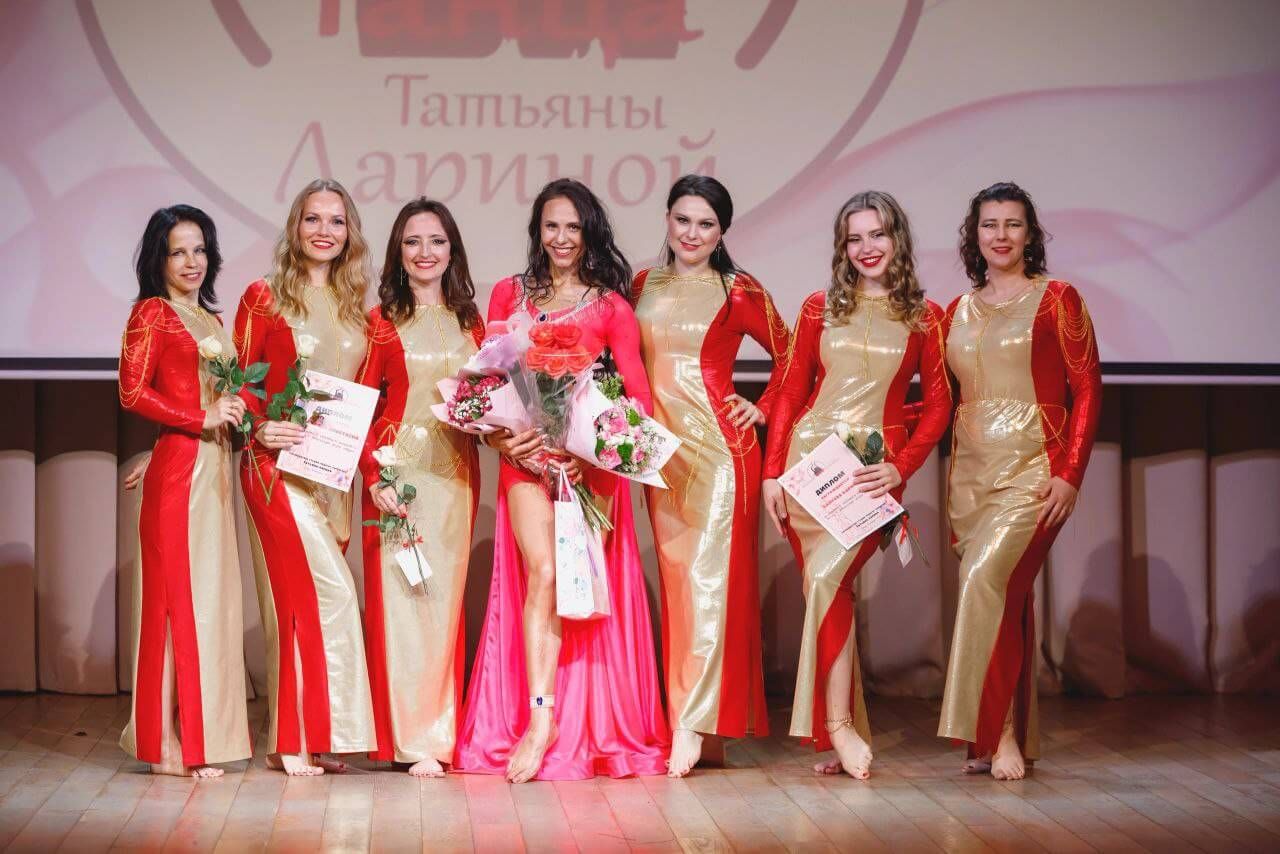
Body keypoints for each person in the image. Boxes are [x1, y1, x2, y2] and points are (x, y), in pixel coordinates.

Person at [454, 178, 670, 782]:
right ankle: (540, 717)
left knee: (578, 588)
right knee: (545, 571)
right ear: (537, 231)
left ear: (589, 232)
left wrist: (593, 457)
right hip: (525, 461)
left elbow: (638, 400)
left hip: (587, 473)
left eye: (573, 227)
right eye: (552, 226)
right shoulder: (508, 293)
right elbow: (487, 381)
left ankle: (586, 720)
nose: (562, 238)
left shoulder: (611, 308)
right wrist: (501, 439)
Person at [761, 191, 951, 779]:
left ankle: (838, 725)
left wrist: (903, 467)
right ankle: (841, 731)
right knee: (830, 593)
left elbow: (939, 406)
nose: (867, 247)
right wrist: (772, 472)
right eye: (855, 237)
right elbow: (790, 392)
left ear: (898, 239)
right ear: (842, 247)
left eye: (878, 234)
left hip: (869, 473)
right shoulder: (818, 308)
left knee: (827, 581)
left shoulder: (925, 317)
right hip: (810, 467)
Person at [938, 181, 1101, 780]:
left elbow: (1087, 388)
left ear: (1030, 234)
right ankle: (994, 736)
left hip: (1034, 469)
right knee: (1001, 598)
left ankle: (1000, 732)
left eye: (1012, 224)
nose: (1000, 235)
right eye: (989, 224)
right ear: (974, 235)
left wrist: (1070, 474)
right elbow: (938, 402)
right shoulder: (954, 311)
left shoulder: (1058, 299)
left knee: (984, 580)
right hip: (970, 475)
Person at [631, 175, 791, 776]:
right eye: (683, 220)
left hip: (722, 455)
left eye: (706, 224)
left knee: (708, 585)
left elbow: (795, 355)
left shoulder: (738, 289)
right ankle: (702, 725)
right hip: (658, 457)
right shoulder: (642, 284)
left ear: (722, 231)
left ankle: (691, 724)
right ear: (667, 220)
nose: (692, 233)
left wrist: (764, 407)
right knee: (679, 587)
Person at [233, 178, 377, 776]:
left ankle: (313, 737)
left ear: (350, 233)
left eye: (336, 221)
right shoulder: (263, 297)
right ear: (295, 227)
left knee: (312, 601)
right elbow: (239, 383)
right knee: (315, 598)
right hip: (275, 470)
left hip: (332, 477)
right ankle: (291, 739)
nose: (324, 230)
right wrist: (259, 427)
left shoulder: (358, 309)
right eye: (313, 219)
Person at [117, 205, 251, 777]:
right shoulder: (152, 313)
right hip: (182, 476)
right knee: (173, 605)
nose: (192, 262)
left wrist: (232, 418)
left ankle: (193, 737)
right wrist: (198, 419)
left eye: (199, 250)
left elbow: (209, 399)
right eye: (178, 252)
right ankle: (164, 745)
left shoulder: (211, 320)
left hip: (211, 472)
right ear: (159, 259)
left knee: (205, 605)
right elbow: (131, 392)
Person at [356, 198, 484, 777]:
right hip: (397, 477)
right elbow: (361, 408)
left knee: (444, 603)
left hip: (455, 478)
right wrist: (373, 476)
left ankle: (440, 732)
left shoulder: (472, 322)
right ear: (398, 252)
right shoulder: (380, 322)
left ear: (452, 250)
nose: (425, 252)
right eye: (412, 241)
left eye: (436, 241)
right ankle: (408, 739)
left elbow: (487, 402)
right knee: (404, 603)